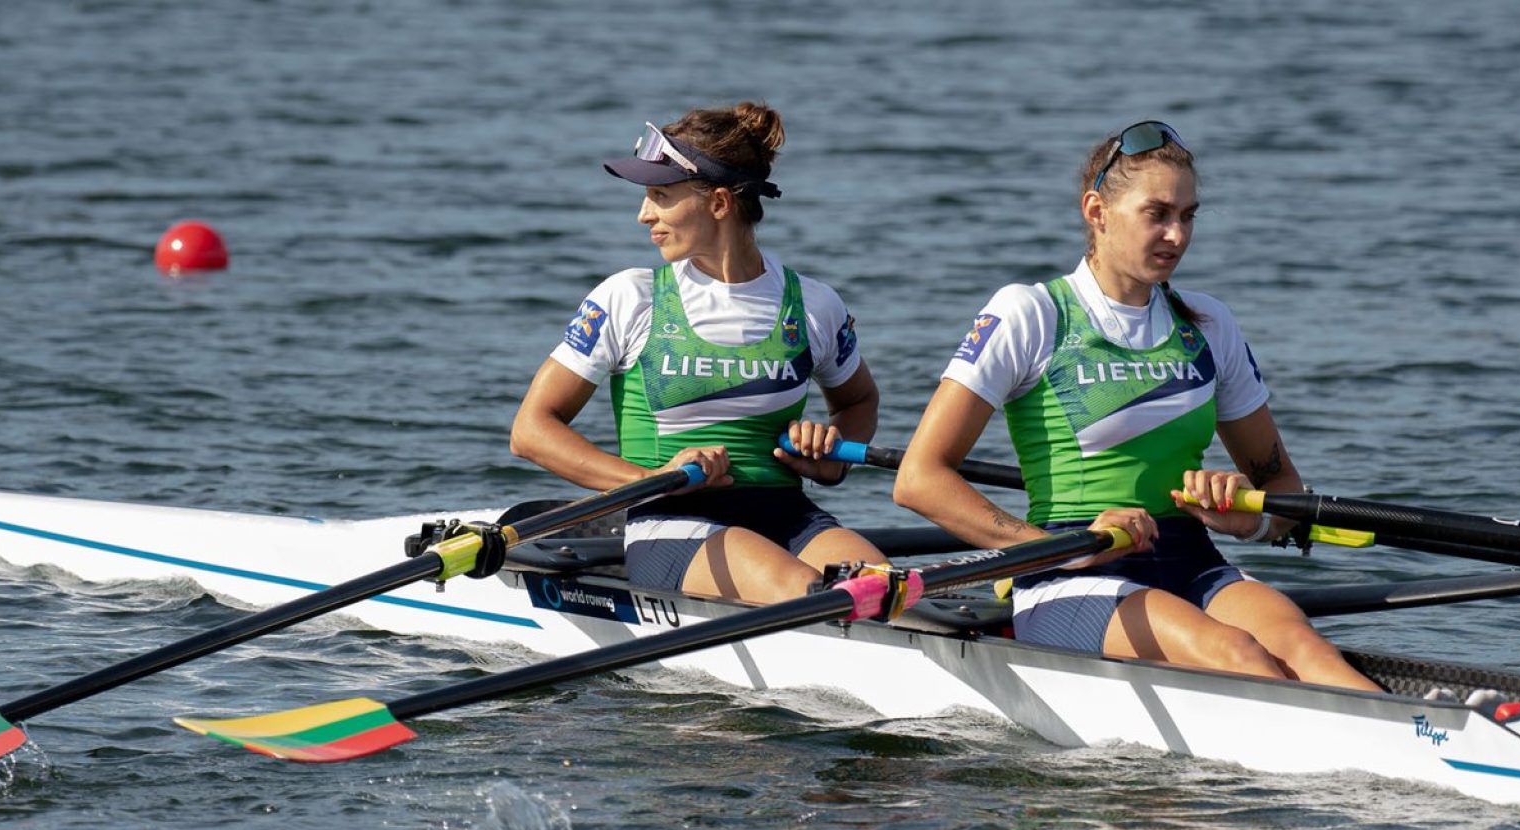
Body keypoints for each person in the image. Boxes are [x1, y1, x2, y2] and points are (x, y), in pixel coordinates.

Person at [893, 121, 1380, 691]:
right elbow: (919, 479)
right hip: (1071, 571)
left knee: (1310, 654)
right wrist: (1054, 549)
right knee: (1237, 651)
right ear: (1097, 211)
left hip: (1193, 560)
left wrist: (1249, 520)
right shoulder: (1031, 313)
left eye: (1188, 215)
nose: (1177, 235)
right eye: (1158, 214)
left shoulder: (1208, 325)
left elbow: (1285, 496)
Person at [510, 102, 885, 604]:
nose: (645, 214)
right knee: (808, 592)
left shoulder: (814, 304)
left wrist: (831, 455)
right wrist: (650, 481)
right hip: (670, 521)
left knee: (884, 588)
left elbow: (859, 402)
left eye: (661, 196)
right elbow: (532, 431)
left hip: (788, 515)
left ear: (720, 204)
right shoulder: (631, 297)